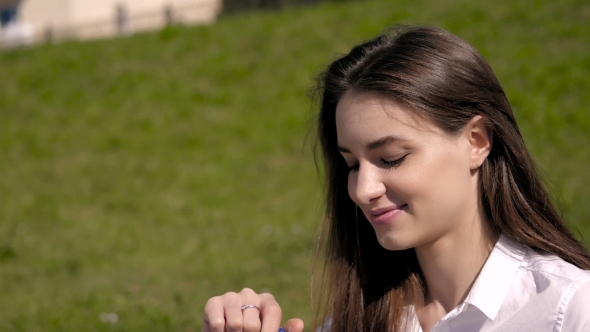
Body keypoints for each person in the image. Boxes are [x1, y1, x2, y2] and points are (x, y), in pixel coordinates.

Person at [201, 26, 590, 332]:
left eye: (391, 158)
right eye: (352, 165)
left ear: (477, 141)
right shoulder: (354, 322)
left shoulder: (570, 309)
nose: (363, 189)